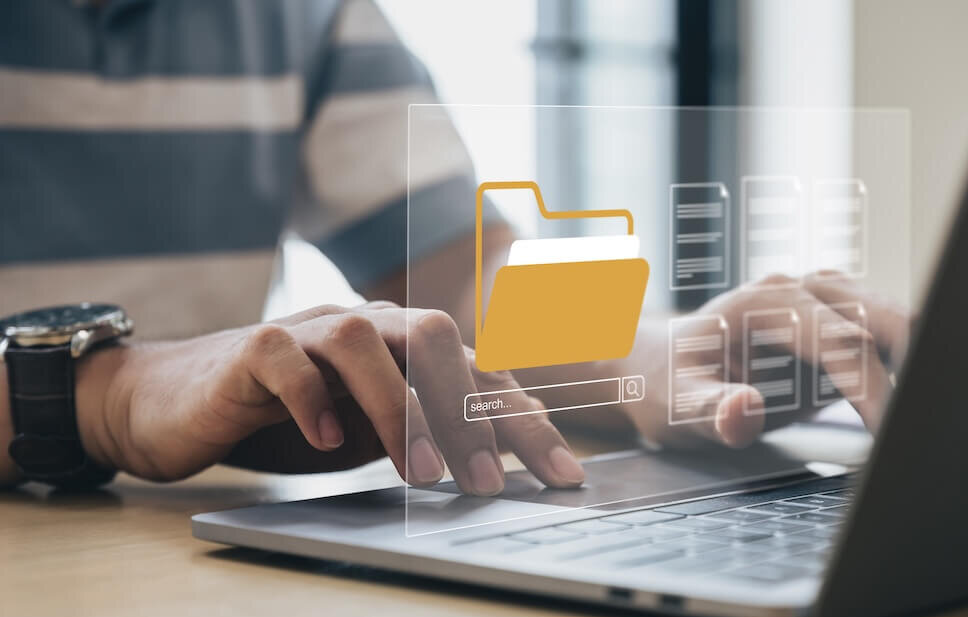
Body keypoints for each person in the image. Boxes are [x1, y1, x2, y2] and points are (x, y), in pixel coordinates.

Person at [0, 0, 908, 494]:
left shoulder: (304, 15)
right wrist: (105, 394)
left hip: (174, 562)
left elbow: (465, 276)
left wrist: (648, 358)